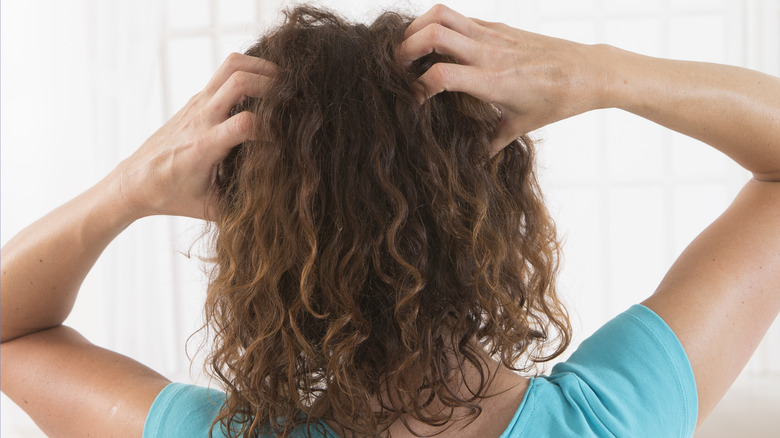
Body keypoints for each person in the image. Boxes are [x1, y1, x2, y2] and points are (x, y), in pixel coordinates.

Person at [1, 3, 778, 437]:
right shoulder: (613, 421)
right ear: (496, 211)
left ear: (260, 256)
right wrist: (605, 71)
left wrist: (129, 187)